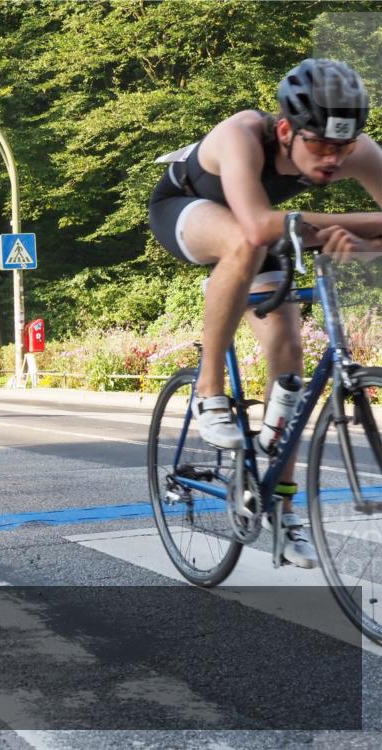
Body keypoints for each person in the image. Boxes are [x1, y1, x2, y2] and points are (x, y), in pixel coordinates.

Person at [148, 58, 381, 567]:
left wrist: (351, 244)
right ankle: (208, 391)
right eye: (318, 145)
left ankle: (279, 501)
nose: (331, 161)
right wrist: (358, 223)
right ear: (284, 130)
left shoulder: (355, 151)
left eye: (342, 148)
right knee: (243, 240)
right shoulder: (242, 134)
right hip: (187, 209)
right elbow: (255, 223)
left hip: (275, 235)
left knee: (289, 353)